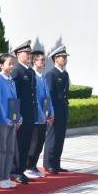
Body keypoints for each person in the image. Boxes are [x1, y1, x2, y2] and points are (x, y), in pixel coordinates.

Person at [10, 39, 37, 185]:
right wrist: (16, 116)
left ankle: (21, 170)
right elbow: (15, 96)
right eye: (27, 53)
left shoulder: (30, 71)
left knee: (26, 143)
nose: (29, 55)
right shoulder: (16, 71)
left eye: (29, 52)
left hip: (29, 113)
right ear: (18, 54)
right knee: (19, 144)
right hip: (20, 114)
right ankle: (15, 170)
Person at [0, 54, 22, 188]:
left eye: (12, 63)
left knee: (10, 149)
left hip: (12, 120)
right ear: (1, 65)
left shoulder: (11, 81)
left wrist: (18, 117)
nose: (12, 66)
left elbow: (14, 102)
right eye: (9, 63)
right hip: (2, 121)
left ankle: (6, 176)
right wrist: (4, 118)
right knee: (1, 149)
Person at [25, 50, 53, 178]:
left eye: (43, 60)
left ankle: (34, 166)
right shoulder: (33, 77)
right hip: (37, 117)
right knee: (33, 143)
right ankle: (27, 167)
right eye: (40, 60)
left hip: (44, 117)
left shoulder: (42, 77)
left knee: (40, 143)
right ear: (34, 62)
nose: (43, 62)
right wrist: (41, 114)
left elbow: (47, 97)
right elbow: (35, 99)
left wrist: (51, 112)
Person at [44, 45, 71, 174]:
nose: (65, 59)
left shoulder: (65, 74)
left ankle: (56, 163)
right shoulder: (51, 74)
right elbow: (48, 94)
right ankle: (49, 164)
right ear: (56, 59)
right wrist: (49, 112)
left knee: (60, 138)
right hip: (54, 111)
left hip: (63, 110)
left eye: (66, 57)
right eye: (63, 57)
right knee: (52, 138)